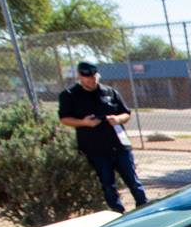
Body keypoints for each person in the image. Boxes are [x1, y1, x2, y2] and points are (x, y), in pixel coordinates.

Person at [58, 61, 148, 213]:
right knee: (108, 184)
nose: (91, 80)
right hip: (95, 148)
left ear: (97, 75)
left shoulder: (109, 92)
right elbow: (64, 118)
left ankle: (144, 209)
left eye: (93, 77)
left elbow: (126, 113)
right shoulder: (70, 95)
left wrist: (118, 119)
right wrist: (84, 122)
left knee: (133, 181)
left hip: (119, 145)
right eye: (87, 78)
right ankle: (117, 214)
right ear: (80, 76)